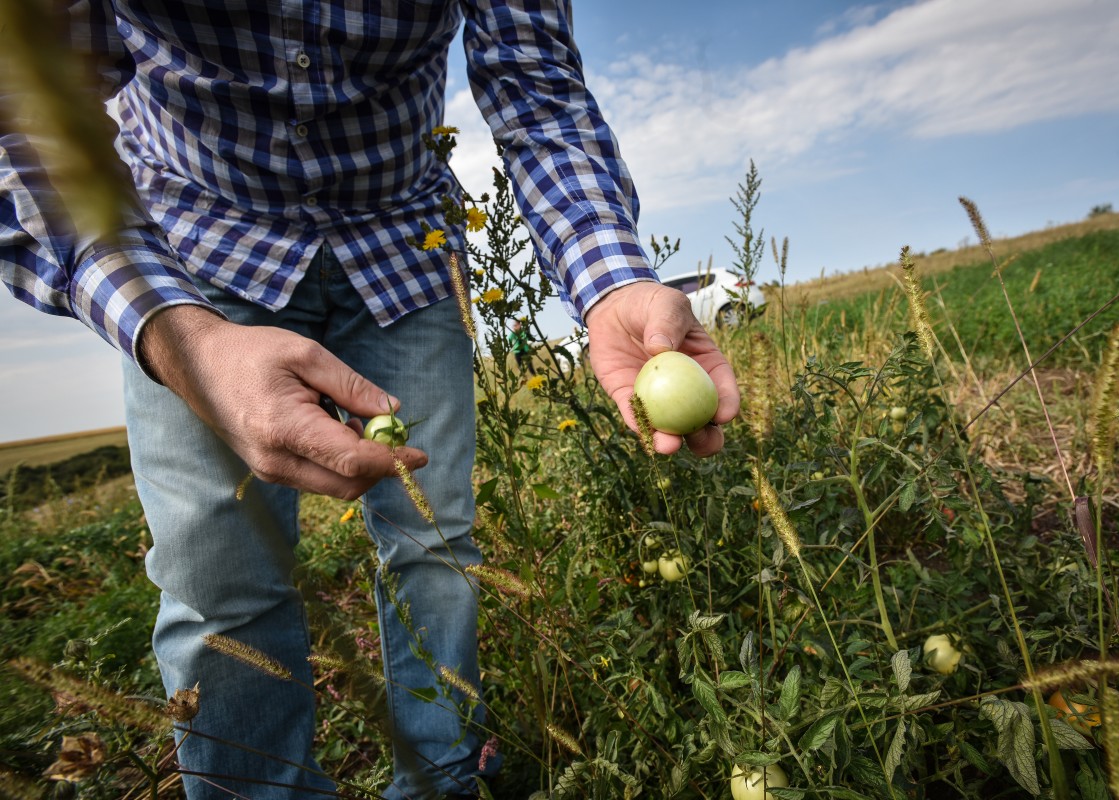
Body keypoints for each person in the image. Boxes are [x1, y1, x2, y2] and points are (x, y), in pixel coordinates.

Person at [1, 2, 739, 798]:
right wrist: (182, 338)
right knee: (217, 573)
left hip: (403, 244)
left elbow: (538, 85)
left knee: (435, 540)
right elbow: (32, 107)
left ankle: (444, 777)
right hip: (194, 255)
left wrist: (611, 279)